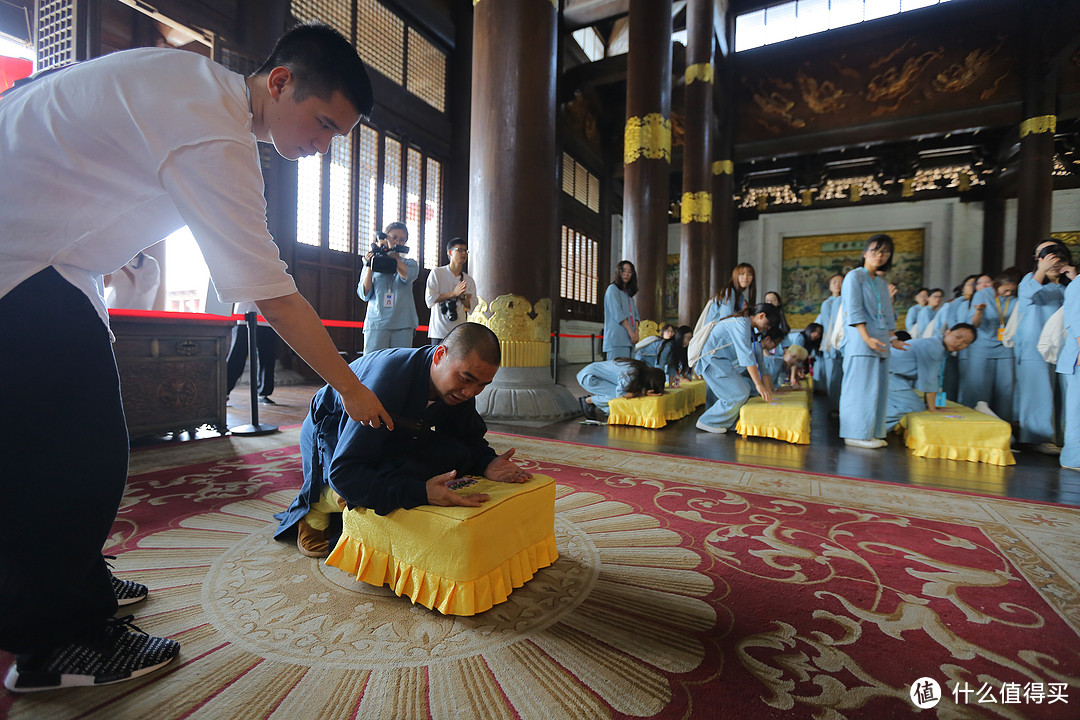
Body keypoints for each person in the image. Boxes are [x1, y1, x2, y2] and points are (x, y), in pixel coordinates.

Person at [0, 23, 393, 693]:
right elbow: (277, 298)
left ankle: (68, 582)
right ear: (279, 82)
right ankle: (57, 640)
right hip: (23, 259)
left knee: (54, 444)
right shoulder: (216, 129)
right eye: (323, 124)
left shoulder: (196, 89)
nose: (323, 145)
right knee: (81, 452)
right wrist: (352, 389)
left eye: (337, 137)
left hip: (49, 256)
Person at [274, 323, 532, 557]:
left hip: (393, 432)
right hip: (332, 432)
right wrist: (421, 493)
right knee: (358, 481)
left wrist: (488, 462)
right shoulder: (387, 382)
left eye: (482, 386)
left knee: (454, 457)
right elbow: (346, 473)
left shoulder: (459, 390)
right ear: (440, 355)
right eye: (466, 380)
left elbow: (467, 438)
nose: (470, 392)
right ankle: (321, 501)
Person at [839, 234, 906, 449]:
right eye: (875, 250)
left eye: (885, 252)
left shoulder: (880, 281)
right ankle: (854, 434)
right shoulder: (854, 276)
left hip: (881, 342)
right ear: (865, 253)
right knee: (859, 389)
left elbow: (887, 313)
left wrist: (894, 338)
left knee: (877, 389)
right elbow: (854, 309)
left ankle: (870, 432)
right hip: (861, 342)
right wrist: (866, 338)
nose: (880, 255)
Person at [1015, 241, 1074, 454]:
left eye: (1059, 260)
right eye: (1048, 258)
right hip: (1034, 346)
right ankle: (1037, 438)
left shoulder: (1069, 286)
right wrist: (1041, 270)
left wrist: (1073, 277)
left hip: (1067, 346)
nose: (1054, 265)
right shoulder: (1031, 281)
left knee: (1066, 392)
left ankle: (1066, 436)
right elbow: (1026, 296)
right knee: (1038, 391)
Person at [694, 303, 782, 433]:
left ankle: (724, 421)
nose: (767, 328)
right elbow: (747, 358)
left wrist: (767, 387)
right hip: (712, 361)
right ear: (761, 316)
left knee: (745, 388)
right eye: (768, 324)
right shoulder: (741, 324)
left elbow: (759, 365)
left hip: (721, 362)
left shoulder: (747, 327)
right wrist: (759, 385)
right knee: (739, 393)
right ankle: (708, 421)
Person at [885, 324, 977, 431]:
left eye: (966, 343)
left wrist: (930, 404)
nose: (959, 343)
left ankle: (872, 428)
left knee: (914, 404)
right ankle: (870, 430)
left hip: (892, 374)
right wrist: (933, 409)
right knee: (914, 406)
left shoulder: (937, 345)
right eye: (958, 337)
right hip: (886, 373)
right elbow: (930, 379)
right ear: (947, 332)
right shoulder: (933, 347)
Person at [961, 268, 1020, 421]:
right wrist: (979, 312)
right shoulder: (983, 294)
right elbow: (972, 325)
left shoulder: (1016, 298)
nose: (1008, 294)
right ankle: (975, 422)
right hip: (982, 345)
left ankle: (1004, 424)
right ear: (997, 284)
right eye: (1006, 290)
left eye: (1012, 292)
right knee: (979, 386)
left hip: (1006, 346)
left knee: (1006, 387)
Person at [359, 221, 420, 352]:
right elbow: (364, 293)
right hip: (377, 322)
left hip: (403, 323)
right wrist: (370, 264)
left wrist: (393, 257)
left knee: (400, 365)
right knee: (372, 364)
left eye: (402, 239)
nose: (397, 242)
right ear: (385, 238)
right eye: (394, 238)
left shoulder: (410, 264)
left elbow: (407, 276)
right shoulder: (372, 260)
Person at [577, 357, 666, 421]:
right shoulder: (632, 373)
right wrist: (643, 393)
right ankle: (588, 401)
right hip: (589, 378)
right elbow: (621, 394)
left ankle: (596, 402)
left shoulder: (640, 368)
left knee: (626, 394)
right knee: (616, 397)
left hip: (593, 373)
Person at [226, 301, 280, 403]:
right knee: (237, 356)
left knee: (268, 358)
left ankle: (264, 392)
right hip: (244, 315)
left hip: (268, 317)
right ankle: (223, 391)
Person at [425, 236, 476, 344]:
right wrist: (453, 294)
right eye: (460, 250)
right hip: (439, 330)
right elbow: (430, 299)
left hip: (459, 330)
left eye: (466, 251)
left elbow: (471, 306)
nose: (464, 254)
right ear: (450, 252)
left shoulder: (468, 280)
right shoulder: (437, 273)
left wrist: (462, 297)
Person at [1056, 274, 1080, 470]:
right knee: (1077, 411)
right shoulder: (1079, 283)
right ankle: (1074, 459)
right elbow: (1075, 320)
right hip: (1077, 358)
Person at [815, 273, 845, 411]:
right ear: (829, 286)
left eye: (841, 282)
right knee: (833, 378)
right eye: (834, 282)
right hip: (832, 345)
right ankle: (834, 408)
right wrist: (835, 346)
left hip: (845, 345)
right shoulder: (828, 304)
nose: (837, 284)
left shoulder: (846, 300)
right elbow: (829, 327)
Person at [603, 260, 640, 360]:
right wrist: (631, 332)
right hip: (617, 340)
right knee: (617, 371)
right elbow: (618, 313)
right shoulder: (612, 289)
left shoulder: (628, 295)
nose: (626, 274)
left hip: (630, 340)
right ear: (618, 272)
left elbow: (636, 315)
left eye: (629, 271)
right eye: (623, 271)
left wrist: (636, 332)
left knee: (630, 372)